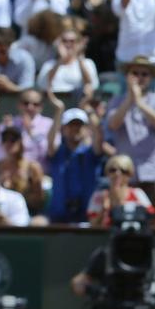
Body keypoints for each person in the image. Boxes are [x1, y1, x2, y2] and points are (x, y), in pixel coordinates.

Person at [106, 58, 155, 222]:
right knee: (123, 218)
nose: (140, 77)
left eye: (145, 74)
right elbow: (113, 124)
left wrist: (140, 103)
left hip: (154, 171)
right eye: (135, 73)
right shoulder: (117, 101)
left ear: (150, 78)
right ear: (127, 76)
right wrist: (130, 100)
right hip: (126, 174)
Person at [45, 90, 104, 224]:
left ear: (86, 128)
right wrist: (59, 111)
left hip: (87, 217)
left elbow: (99, 136)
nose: (75, 129)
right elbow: (50, 141)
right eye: (71, 125)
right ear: (63, 129)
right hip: (59, 217)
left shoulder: (91, 153)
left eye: (79, 125)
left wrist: (88, 110)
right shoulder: (58, 153)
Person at [86, 155, 154, 227]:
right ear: (107, 173)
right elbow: (92, 224)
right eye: (113, 170)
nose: (117, 174)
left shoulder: (137, 193)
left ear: (130, 174)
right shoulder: (99, 196)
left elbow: (150, 218)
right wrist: (103, 210)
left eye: (123, 171)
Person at [0, 89, 53, 169]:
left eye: (35, 104)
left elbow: (47, 153)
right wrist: (9, 135)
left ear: (41, 106)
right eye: (26, 103)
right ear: (19, 104)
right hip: (12, 173)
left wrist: (31, 132)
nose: (30, 107)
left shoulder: (49, 124)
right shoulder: (7, 125)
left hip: (38, 174)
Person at [0, 125, 45, 219]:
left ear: (21, 142)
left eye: (13, 140)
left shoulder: (32, 167)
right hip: (1, 214)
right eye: (5, 140)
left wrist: (20, 187)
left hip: (28, 214)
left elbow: (39, 200)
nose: (8, 143)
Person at [36, 28, 99, 95]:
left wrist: (79, 56)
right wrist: (61, 60)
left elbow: (92, 85)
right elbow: (42, 85)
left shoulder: (88, 63)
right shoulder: (49, 64)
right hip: (54, 100)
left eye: (72, 41)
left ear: (78, 43)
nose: (68, 44)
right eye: (64, 41)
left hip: (76, 101)